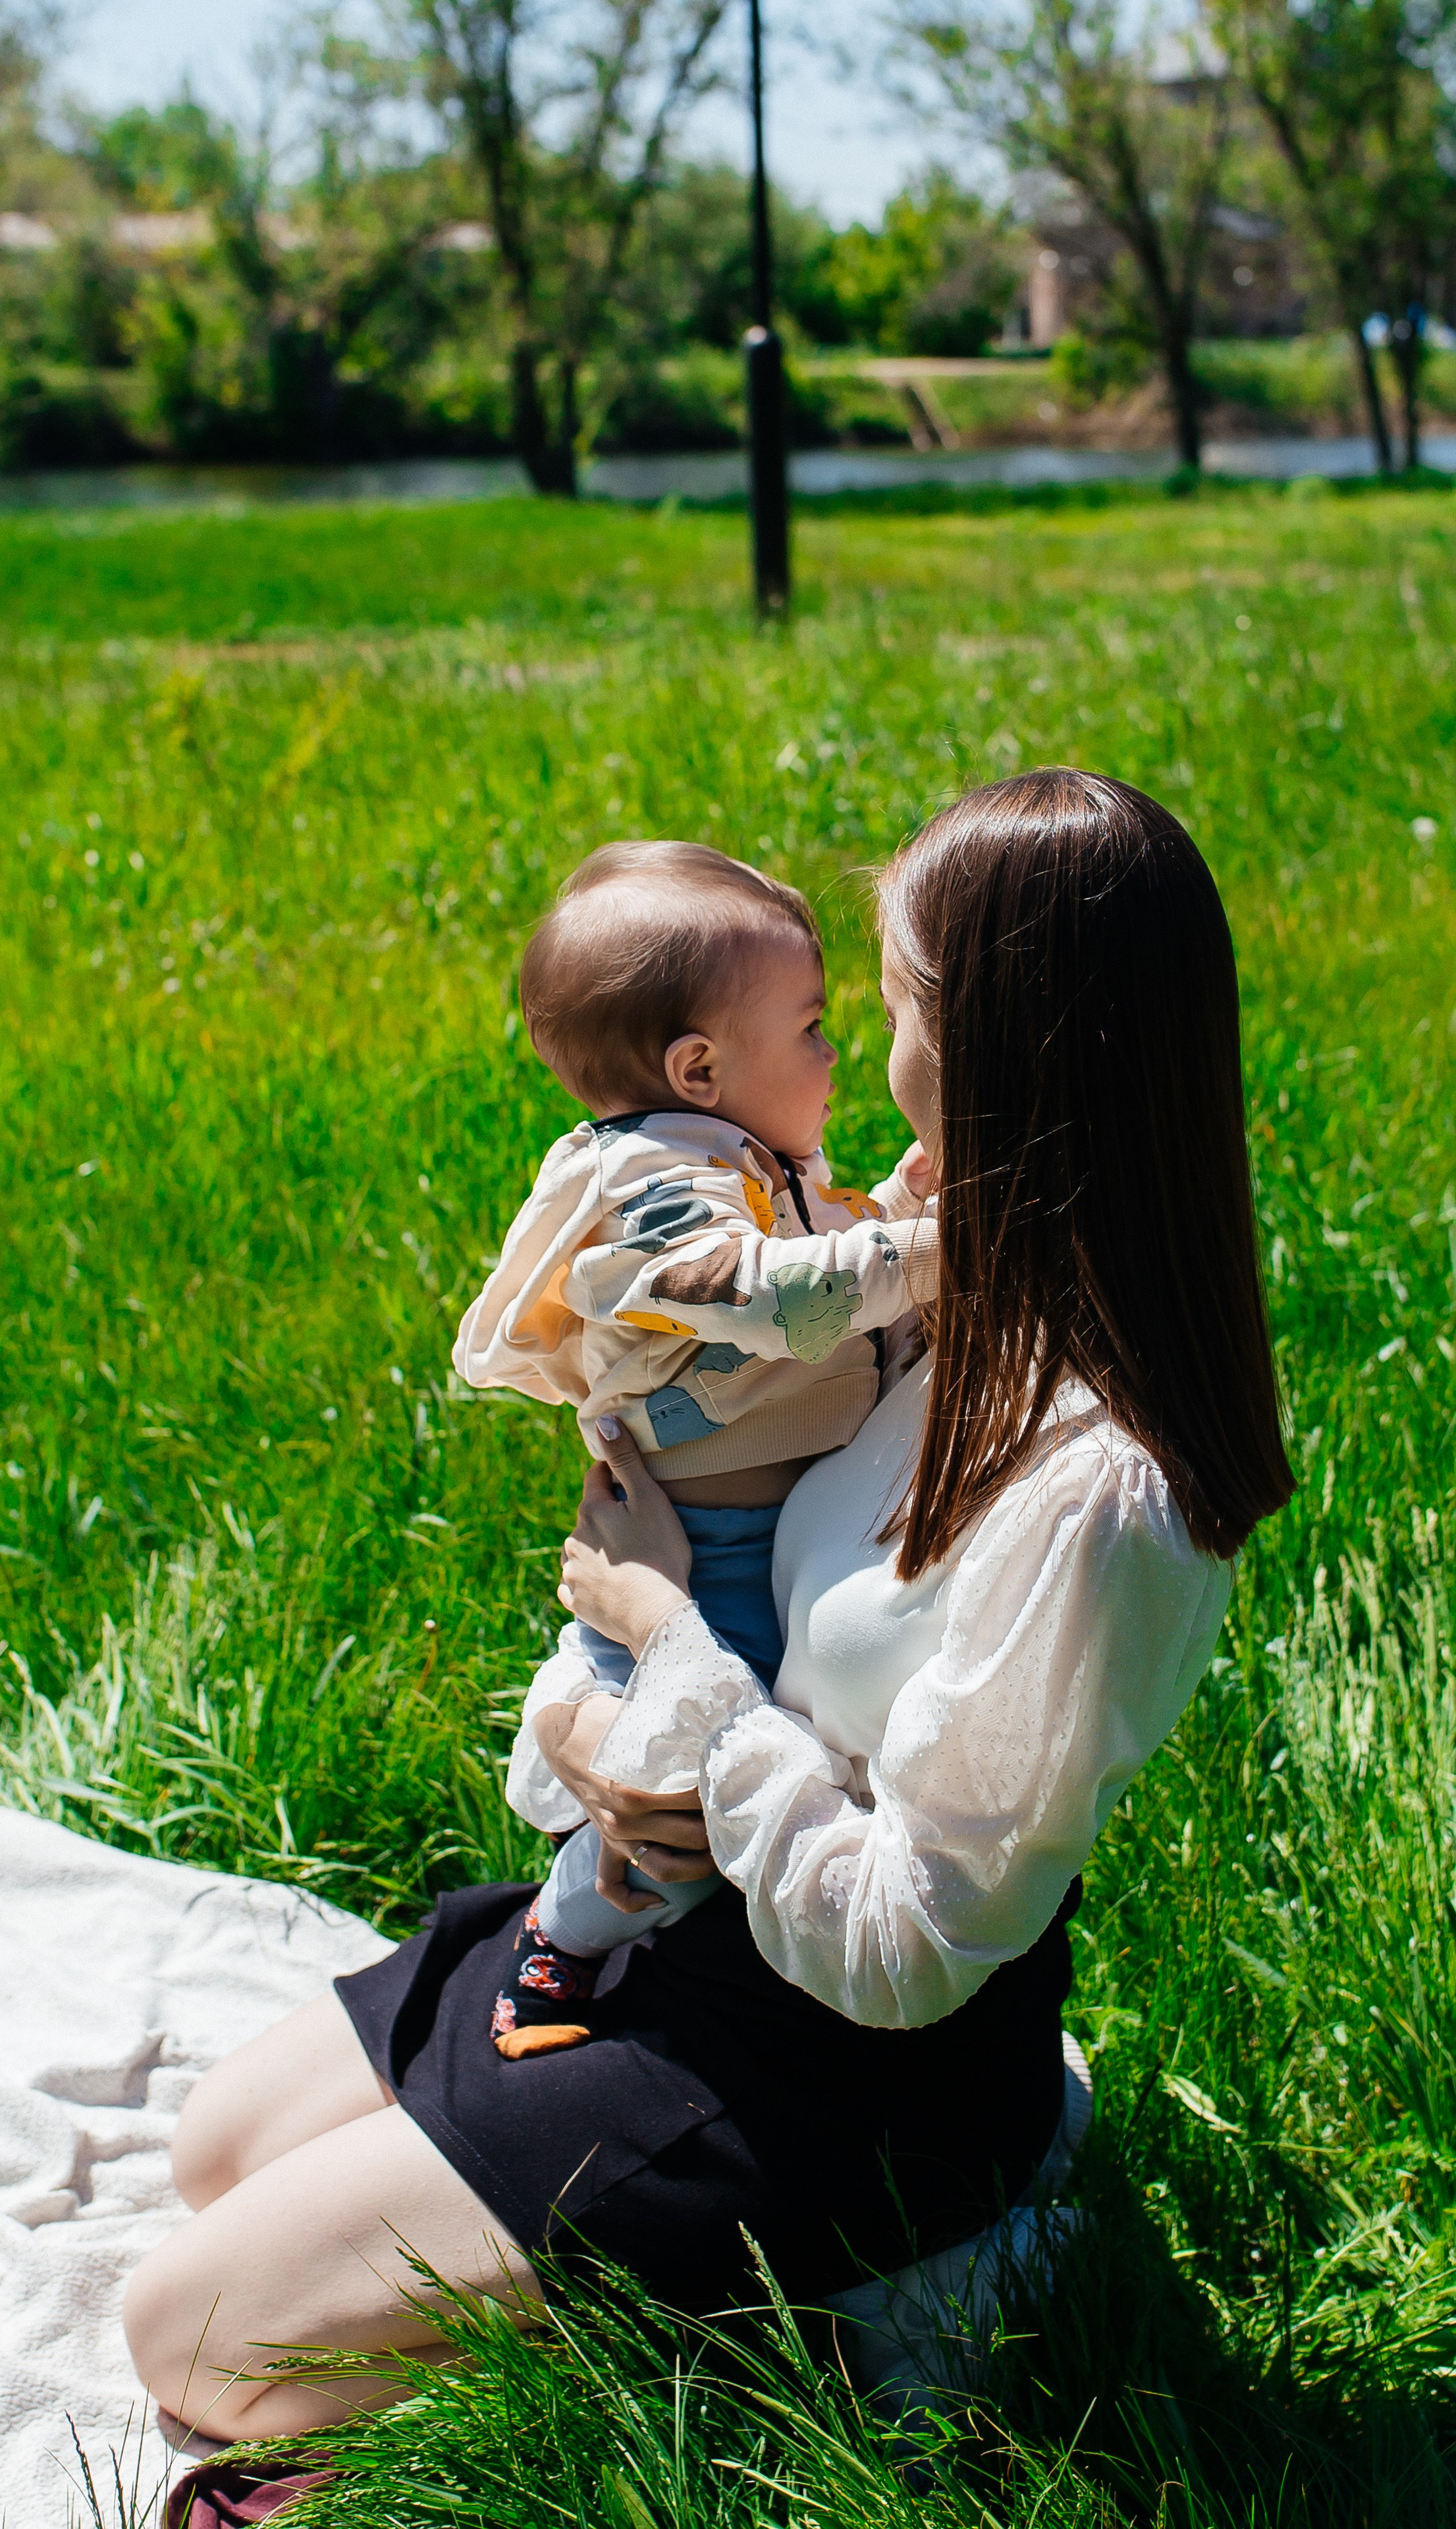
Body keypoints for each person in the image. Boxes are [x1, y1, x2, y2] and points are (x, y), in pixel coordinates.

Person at [122, 769, 1293, 2447]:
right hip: (700, 1897)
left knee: (196, 2344)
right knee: (213, 2152)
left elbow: (905, 1947)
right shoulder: (924, 1275)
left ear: (989, 1048)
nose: (862, 1058)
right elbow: (712, 1444)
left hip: (844, 2060)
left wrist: (677, 1661)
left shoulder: (1104, 1493)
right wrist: (612, 1730)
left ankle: (895, 2300)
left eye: (882, 1011)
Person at [452, 840, 930, 2055]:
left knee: (714, 1781)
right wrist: (940, 1249)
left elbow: (824, 1277)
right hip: (711, 1555)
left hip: (739, 1542)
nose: (835, 1056)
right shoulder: (655, 1187)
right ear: (700, 1067)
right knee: (667, 1813)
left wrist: (904, 1208)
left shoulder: (732, 1157)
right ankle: (557, 1950)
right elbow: (774, 1302)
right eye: (815, 1026)